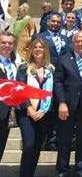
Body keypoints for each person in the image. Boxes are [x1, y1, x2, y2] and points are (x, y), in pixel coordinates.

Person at [54, 32, 82, 177]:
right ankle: (62, 169)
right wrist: (62, 102)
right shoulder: (64, 60)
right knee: (65, 139)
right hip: (67, 106)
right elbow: (58, 83)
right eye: (77, 41)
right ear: (72, 43)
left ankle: (80, 168)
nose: (80, 44)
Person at [15, 38, 54, 177]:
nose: (38, 49)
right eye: (35, 47)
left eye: (41, 47)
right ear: (31, 50)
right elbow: (20, 90)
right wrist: (30, 108)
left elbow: (52, 93)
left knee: (37, 147)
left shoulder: (51, 69)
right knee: (29, 145)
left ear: (45, 50)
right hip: (26, 114)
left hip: (44, 114)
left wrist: (43, 110)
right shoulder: (23, 68)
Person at [0, 31, 17, 162]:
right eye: (3, 42)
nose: (7, 45)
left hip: (7, 114)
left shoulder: (14, 65)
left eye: (10, 43)